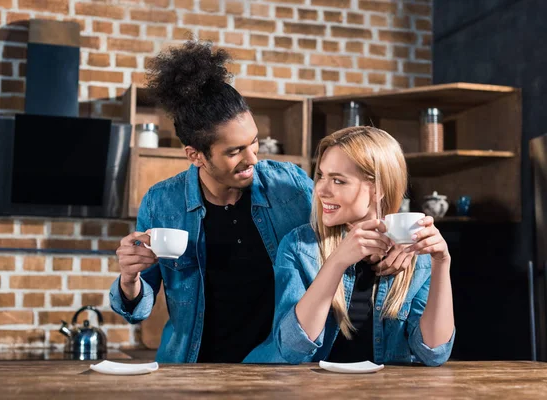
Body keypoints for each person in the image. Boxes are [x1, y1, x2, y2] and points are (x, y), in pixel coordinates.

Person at [110, 40, 417, 364]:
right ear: (196, 155)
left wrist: (401, 241)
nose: (252, 158)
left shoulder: (291, 185)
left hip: (280, 368)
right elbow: (137, 310)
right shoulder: (161, 203)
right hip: (191, 369)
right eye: (234, 151)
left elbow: (348, 221)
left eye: (253, 142)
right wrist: (129, 279)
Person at [271, 126, 455, 366]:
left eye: (338, 180)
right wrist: (337, 261)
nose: (321, 190)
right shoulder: (299, 246)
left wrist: (442, 263)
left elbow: (434, 353)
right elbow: (291, 348)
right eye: (322, 176)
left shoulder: (414, 254)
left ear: (377, 188)